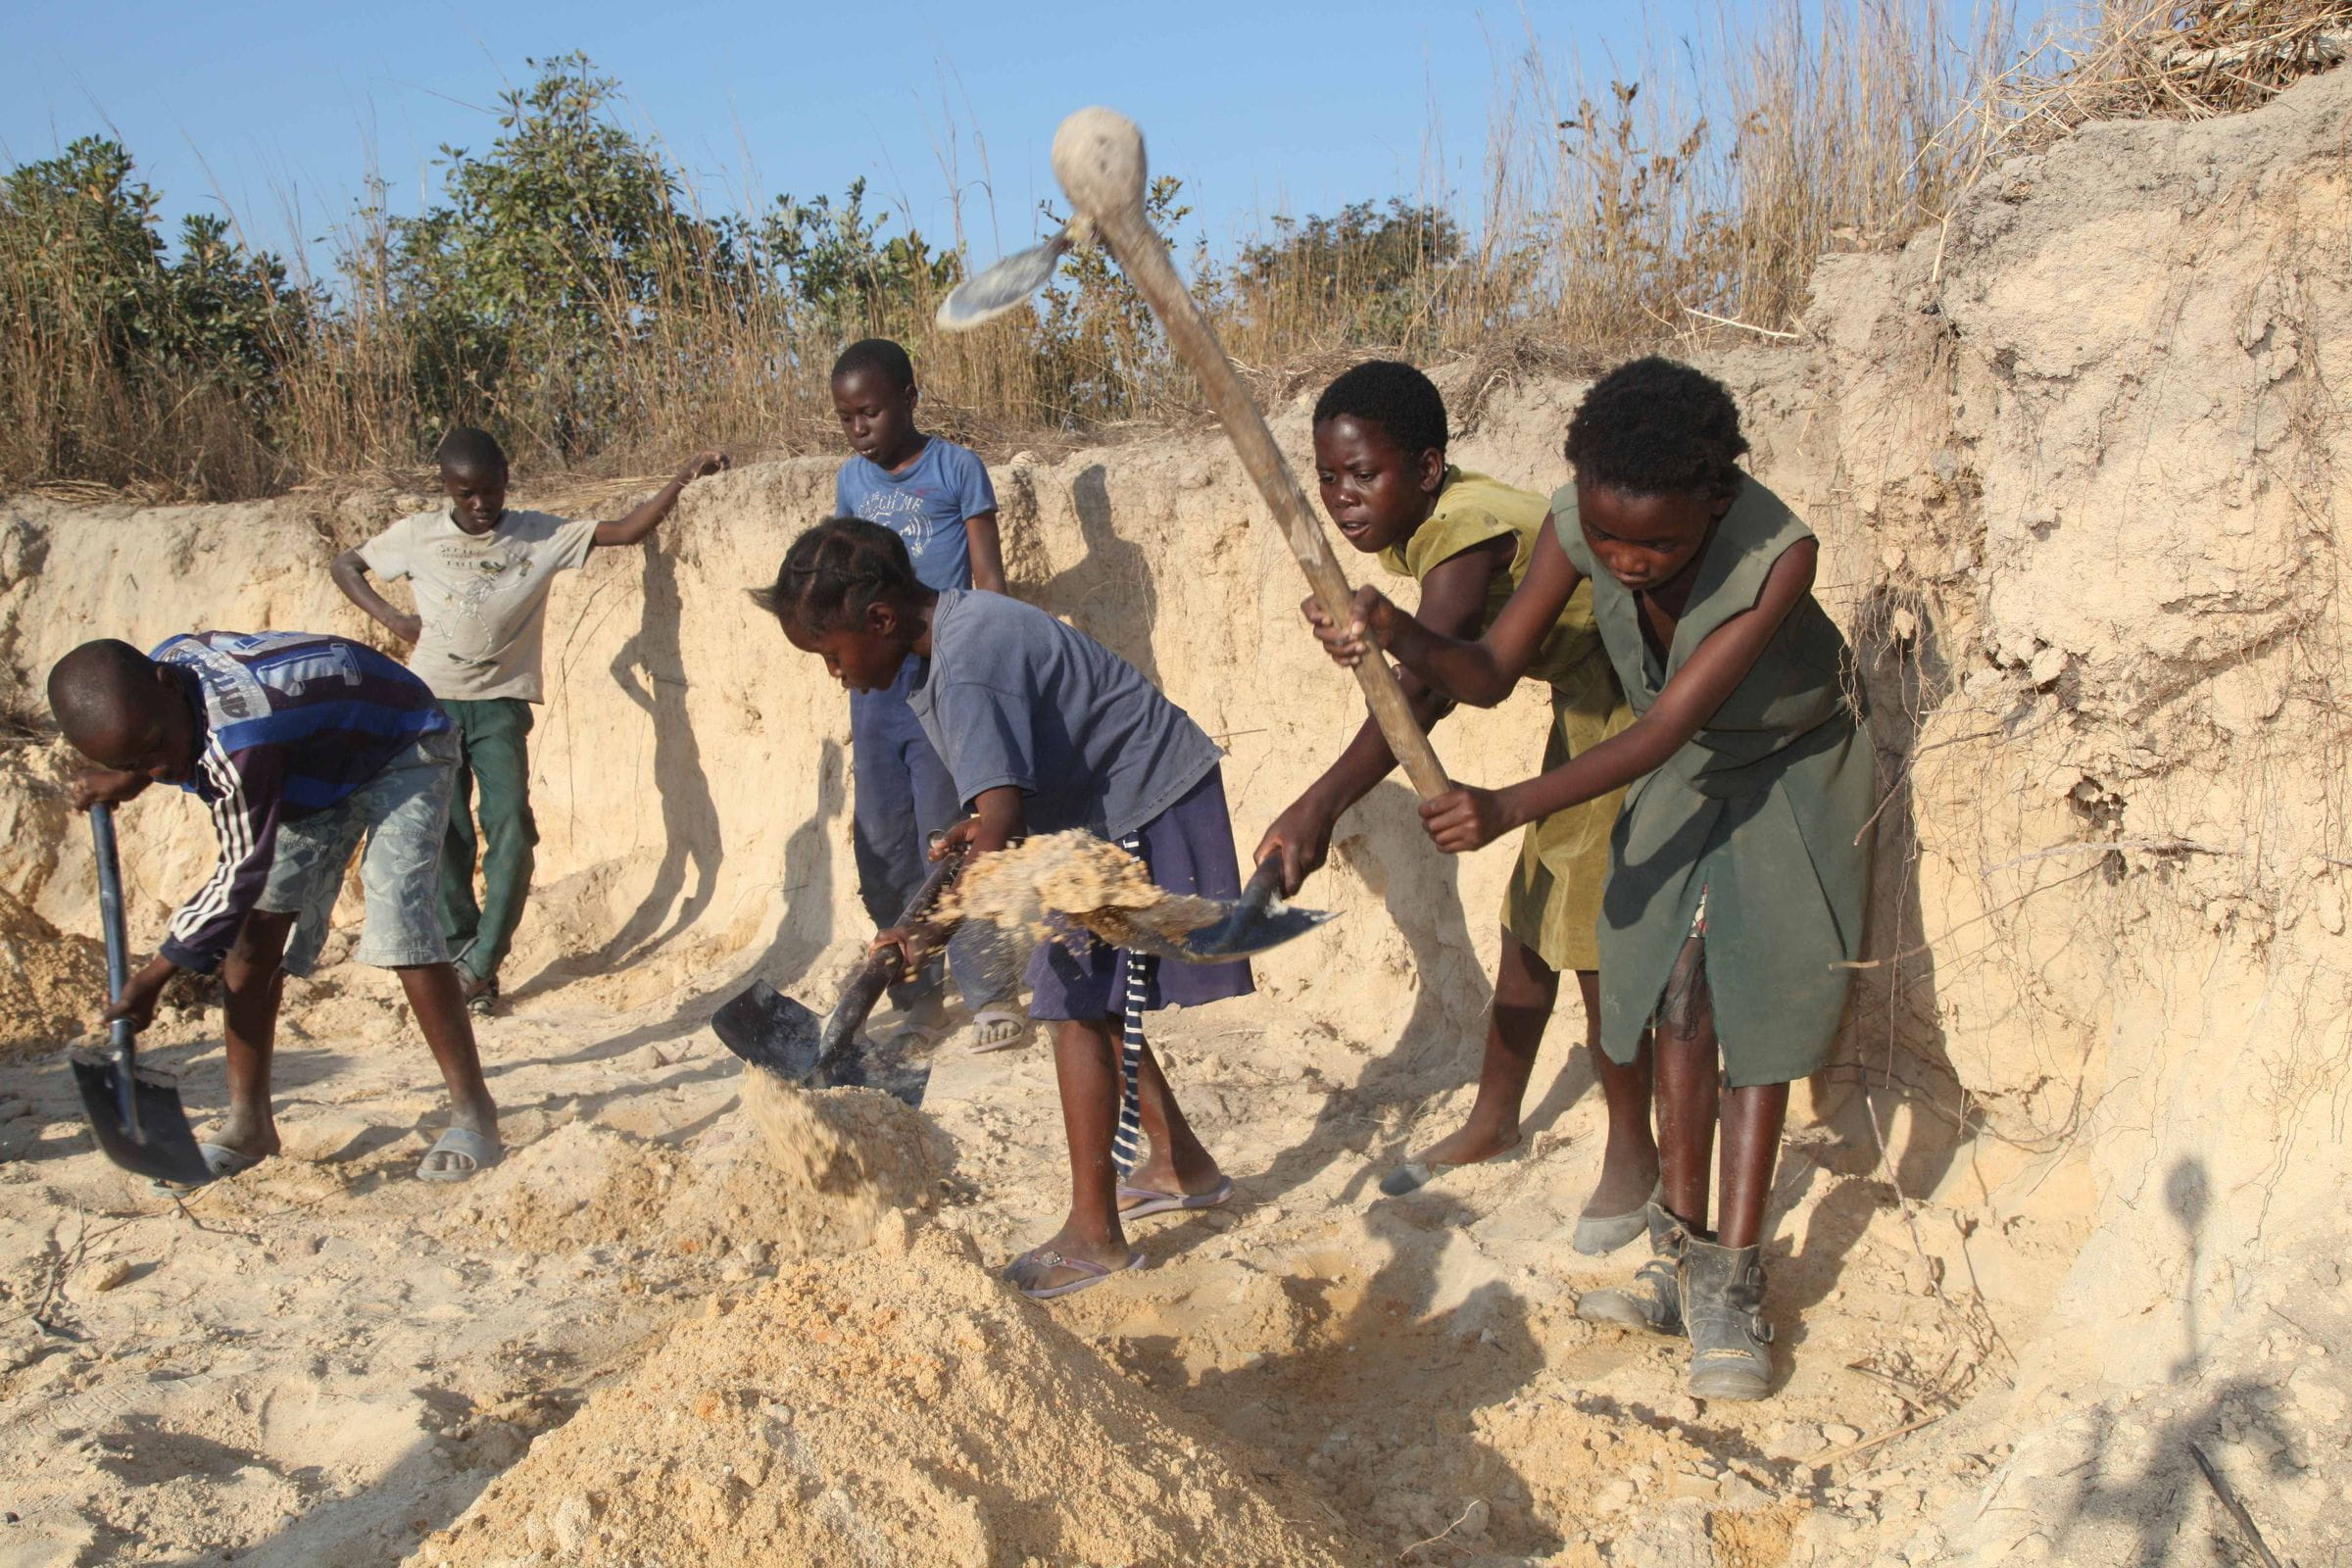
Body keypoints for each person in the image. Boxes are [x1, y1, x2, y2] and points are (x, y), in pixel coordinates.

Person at [1306, 357, 1875, 1400]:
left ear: (1717, 496)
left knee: (1752, 1007)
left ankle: (1732, 1286)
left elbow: (1663, 723)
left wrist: (1508, 804)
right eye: (1609, 538)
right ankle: (1679, 1249)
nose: (1629, 561)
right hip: (1686, 765)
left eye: (1659, 542)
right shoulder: (1578, 521)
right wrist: (1397, 632)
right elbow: (1485, 674)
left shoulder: (1777, 554)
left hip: (1781, 767)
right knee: (1671, 989)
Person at [753, 516, 1248, 1300]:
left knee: (1072, 1004)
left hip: (1143, 802)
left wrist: (932, 931)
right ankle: (1182, 1165)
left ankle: (1095, 1236)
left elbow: (1006, 827)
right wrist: (973, 834)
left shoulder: (967, 658)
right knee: (1095, 995)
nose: (838, 677)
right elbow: (996, 810)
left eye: (833, 657)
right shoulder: (948, 642)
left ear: (879, 620)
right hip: (1116, 802)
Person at [1255, 362, 1658, 1248]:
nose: (1343, 498)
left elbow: (1441, 690)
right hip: (1584, 707)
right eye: (1328, 477)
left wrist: (1320, 804)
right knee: (1530, 916)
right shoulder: (1432, 520)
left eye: (1365, 475)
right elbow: (1429, 679)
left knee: (1589, 937)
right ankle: (1495, 1118)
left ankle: (1635, 1155)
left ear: (1428, 469)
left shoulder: (1463, 535)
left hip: (1635, 706)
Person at [48, 632, 503, 1183]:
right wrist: (127, 776)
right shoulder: (162, 679)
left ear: (168, 688)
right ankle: (250, 1125)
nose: (162, 770)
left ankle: (473, 1112)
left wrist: (153, 976)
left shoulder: (243, 737)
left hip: (401, 744)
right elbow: (162, 747)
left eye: (153, 748)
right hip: (309, 761)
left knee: (400, 921)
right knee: (251, 942)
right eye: (137, 760)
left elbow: (241, 871)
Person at [332, 428, 728, 1016]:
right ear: (446, 488)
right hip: (430, 707)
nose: (480, 504)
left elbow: (626, 530)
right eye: (466, 494)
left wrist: (684, 475)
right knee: (449, 837)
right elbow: (346, 566)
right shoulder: (417, 536)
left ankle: (482, 961)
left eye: (491, 491)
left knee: (512, 827)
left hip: (499, 704)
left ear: (507, 482)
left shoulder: (538, 533)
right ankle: (470, 968)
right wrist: (394, 619)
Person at [827, 338, 1023, 1053]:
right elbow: (845, 579)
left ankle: (991, 991)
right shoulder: (852, 480)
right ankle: (917, 999)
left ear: (910, 398)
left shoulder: (956, 468)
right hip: (875, 692)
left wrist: (990, 664)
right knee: (881, 842)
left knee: (949, 839)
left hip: (942, 686)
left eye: (870, 412)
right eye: (846, 417)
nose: (858, 429)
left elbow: (988, 579)